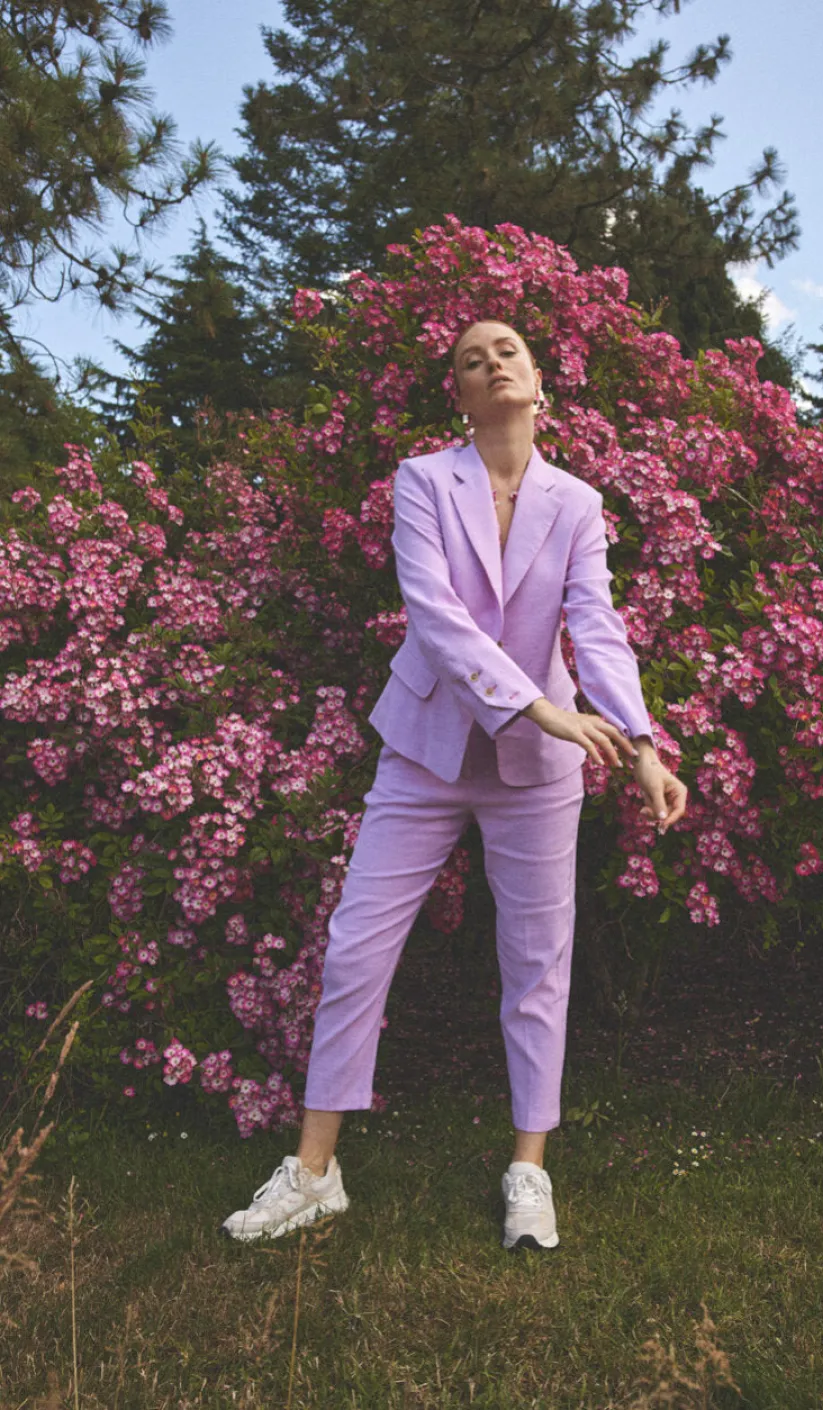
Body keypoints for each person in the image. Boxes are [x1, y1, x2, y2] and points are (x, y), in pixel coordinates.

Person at [222, 320, 688, 1250]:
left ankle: (529, 1171)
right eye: (471, 360)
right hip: (426, 749)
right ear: (461, 398)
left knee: (537, 965)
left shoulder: (577, 502)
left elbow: (596, 626)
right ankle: (314, 1174)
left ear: (540, 383)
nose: (490, 363)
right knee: (356, 950)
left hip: (538, 773)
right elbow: (435, 619)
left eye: (506, 350)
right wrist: (542, 707)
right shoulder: (424, 481)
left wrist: (639, 742)